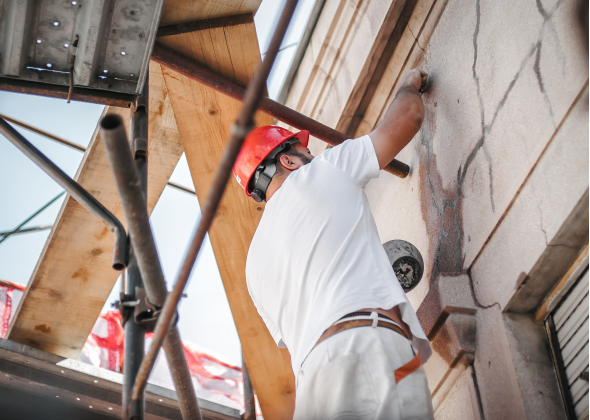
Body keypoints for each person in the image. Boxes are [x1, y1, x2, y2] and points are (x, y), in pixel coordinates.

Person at [233, 68, 434, 419]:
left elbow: (315, 314)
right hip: (366, 346)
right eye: (304, 149)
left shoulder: (253, 267)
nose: (311, 154)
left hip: (312, 391)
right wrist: (407, 85)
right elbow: (408, 117)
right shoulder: (322, 171)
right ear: (288, 159)